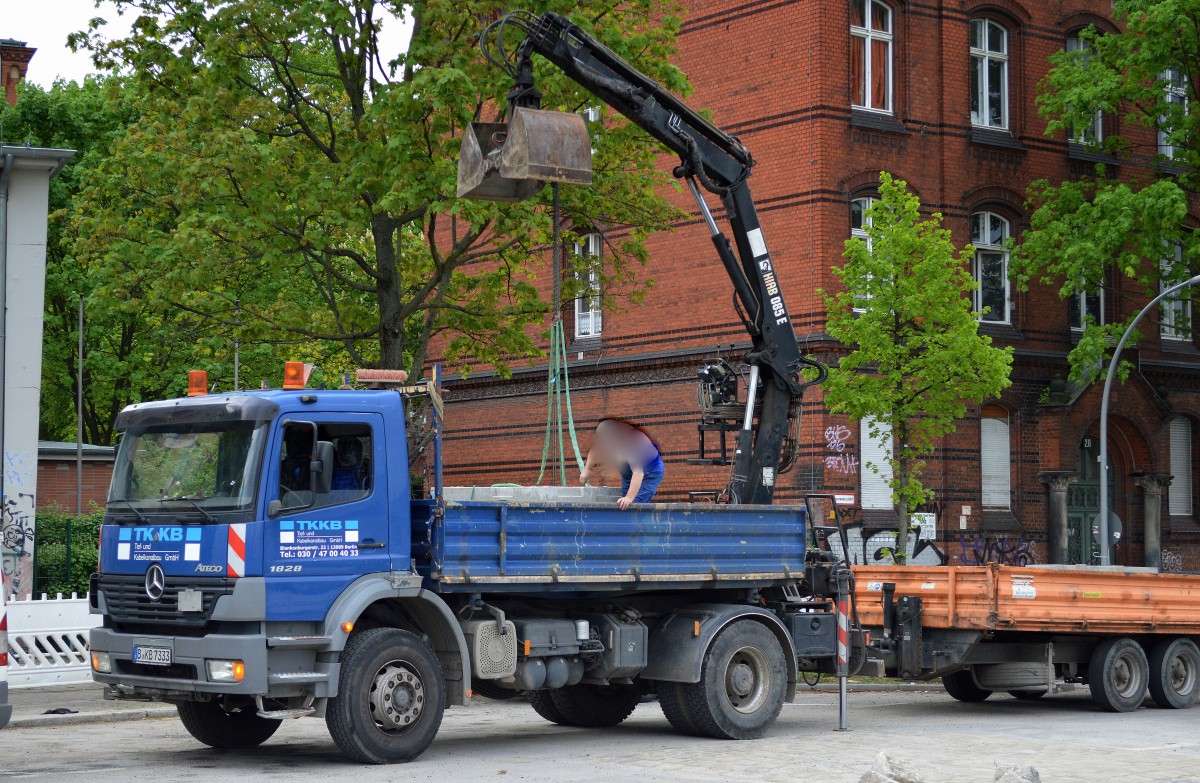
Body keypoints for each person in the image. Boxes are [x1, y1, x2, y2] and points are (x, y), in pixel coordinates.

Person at [580, 418, 665, 509]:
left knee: (634, 503)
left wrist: (629, 497)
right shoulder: (608, 438)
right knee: (624, 504)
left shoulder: (631, 443)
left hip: (649, 472)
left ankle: (636, 520)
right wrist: (587, 469)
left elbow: (638, 473)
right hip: (628, 472)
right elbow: (595, 450)